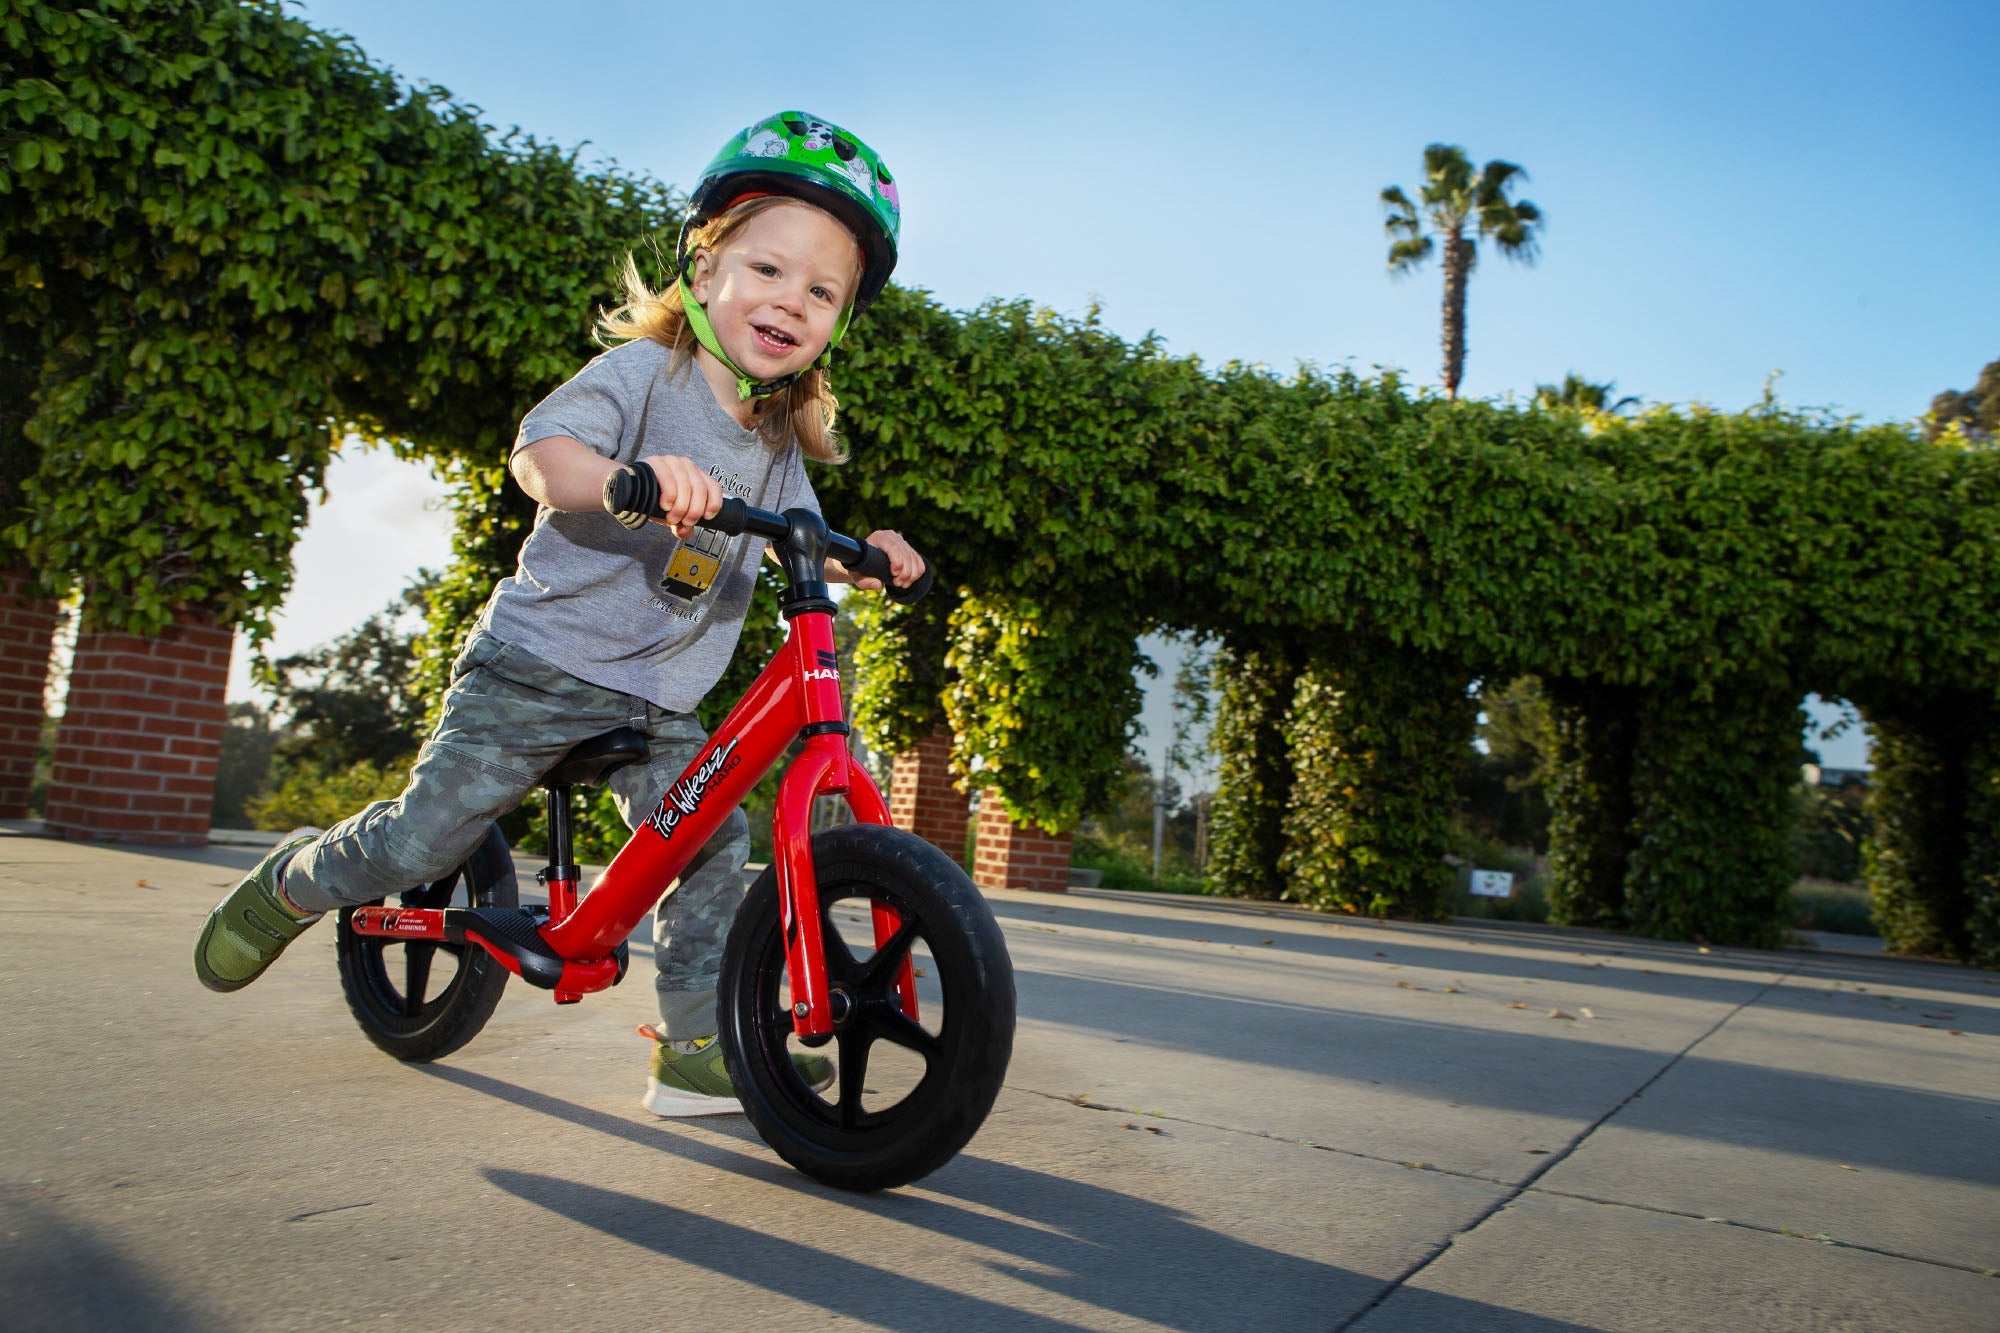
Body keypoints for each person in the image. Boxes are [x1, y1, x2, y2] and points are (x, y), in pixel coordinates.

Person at [193, 112, 924, 1117]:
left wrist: (867, 556)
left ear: (837, 322)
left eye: (821, 291)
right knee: (423, 840)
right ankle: (297, 879)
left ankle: (697, 1045)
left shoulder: (779, 444)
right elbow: (541, 458)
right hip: (537, 665)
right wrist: (626, 477)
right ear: (704, 271)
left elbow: (802, 542)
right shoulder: (641, 377)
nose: (789, 301)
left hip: (656, 700)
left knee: (714, 837)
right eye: (768, 269)